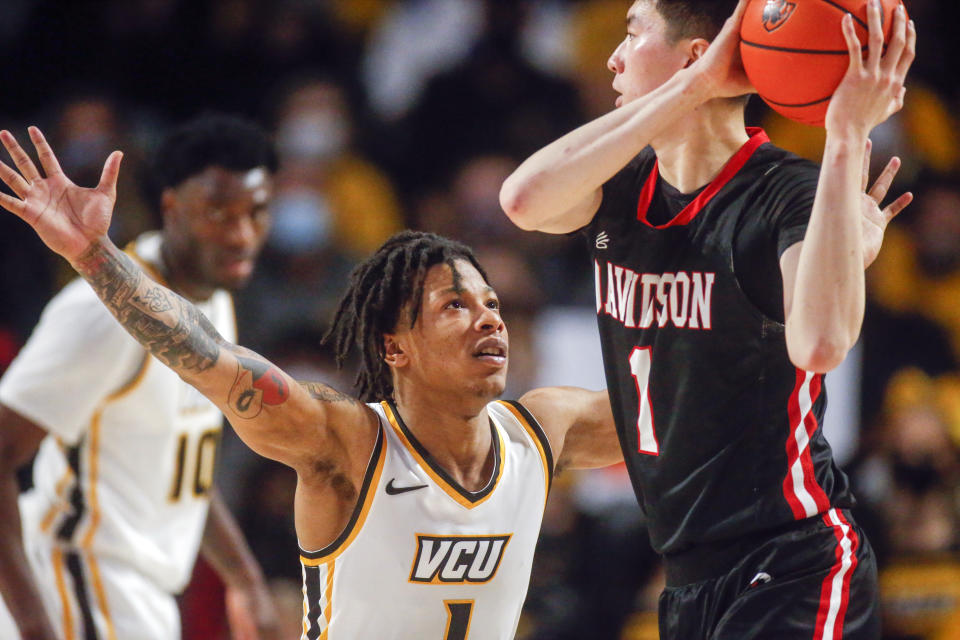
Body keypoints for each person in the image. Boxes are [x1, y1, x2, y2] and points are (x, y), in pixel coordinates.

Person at [0, 128, 625, 639]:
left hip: (147, 586)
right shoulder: (347, 444)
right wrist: (93, 254)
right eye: (455, 306)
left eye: (491, 303)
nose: (490, 317)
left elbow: (682, 403)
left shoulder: (542, 433)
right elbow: (205, 356)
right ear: (394, 346)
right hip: (88, 575)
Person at [500, 0, 916, 637]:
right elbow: (523, 200)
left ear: (696, 50)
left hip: (794, 562)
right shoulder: (619, 185)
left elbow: (823, 342)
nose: (611, 57)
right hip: (685, 578)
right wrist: (692, 87)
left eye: (632, 34)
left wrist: (844, 136)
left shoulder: (788, 193)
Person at [0, 115, 281, 640]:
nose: (242, 234)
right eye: (219, 212)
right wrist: (36, 623)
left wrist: (245, 580)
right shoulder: (98, 314)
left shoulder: (213, 300)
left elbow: (180, 467)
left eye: (257, 212)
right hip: (78, 576)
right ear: (172, 206)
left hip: (137, 591)